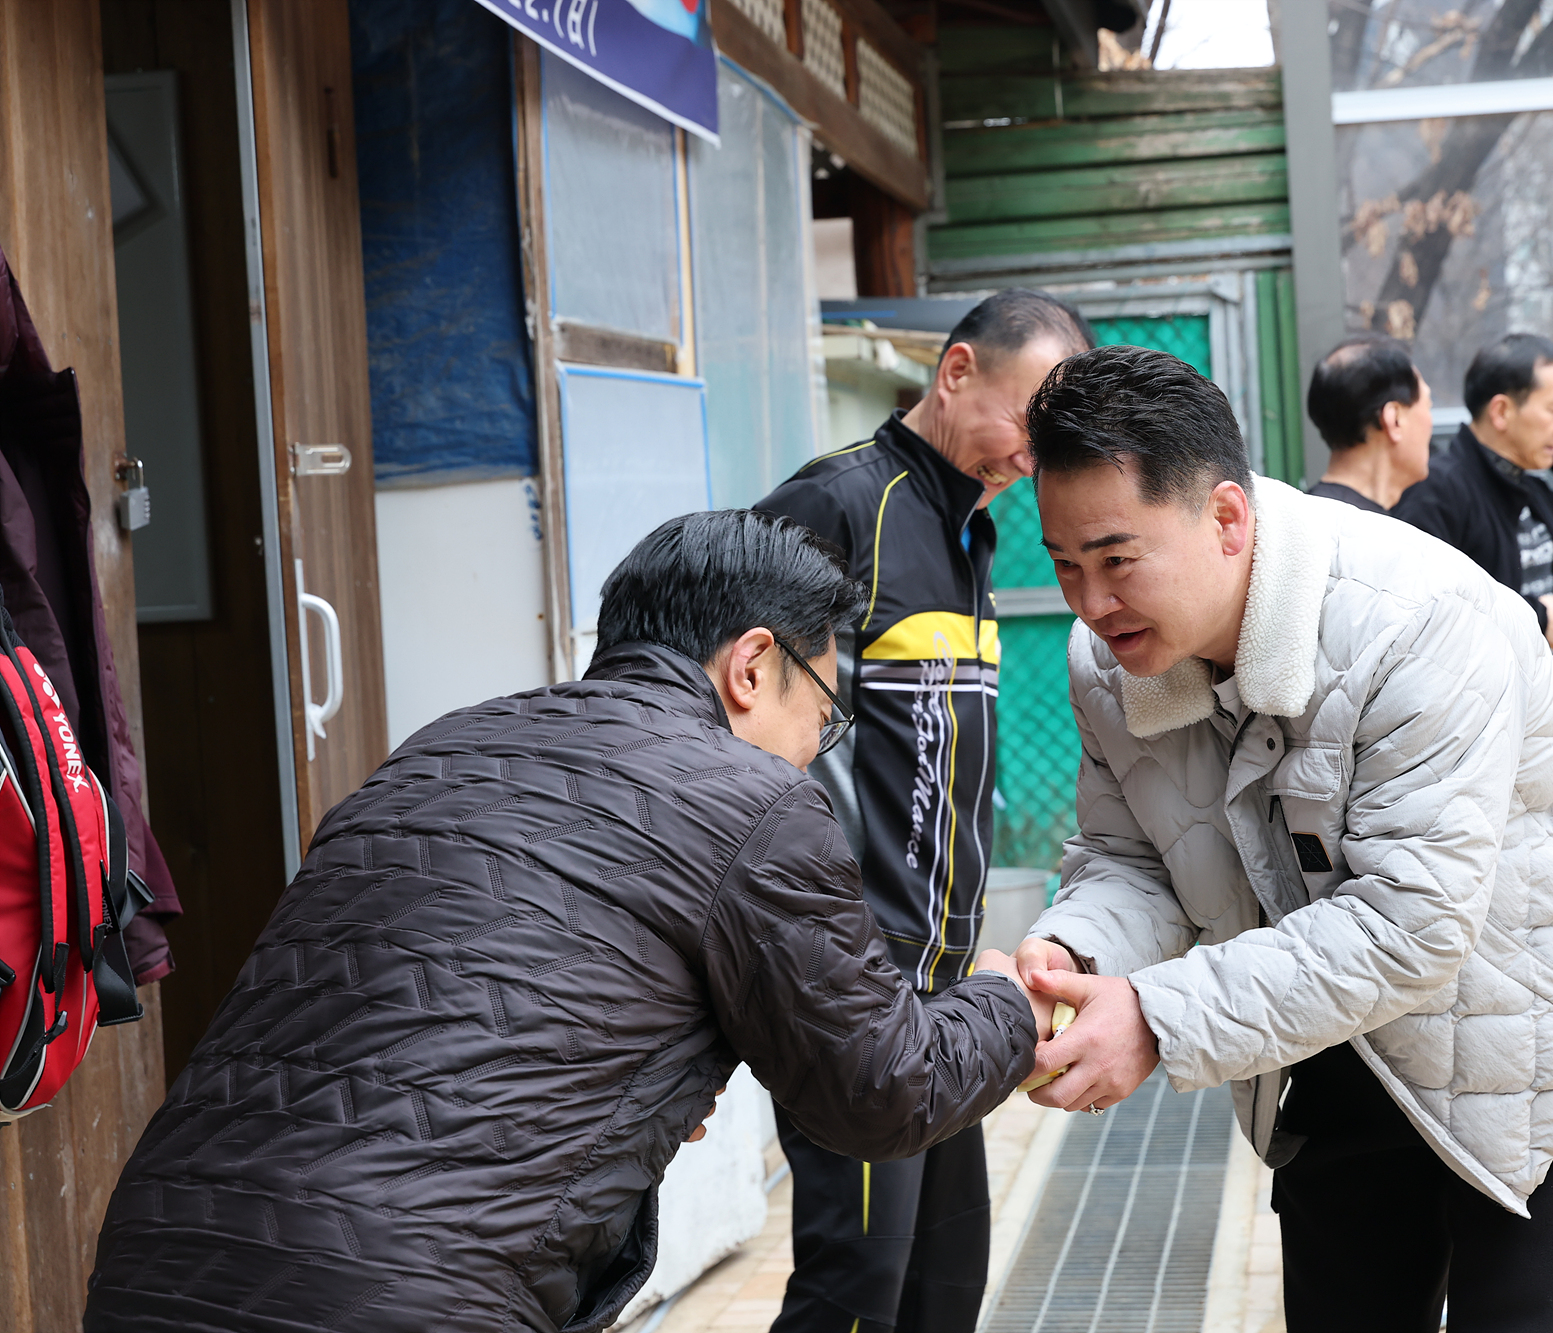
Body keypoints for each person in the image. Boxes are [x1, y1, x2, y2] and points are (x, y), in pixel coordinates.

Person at [82, 510, 1046, 1333]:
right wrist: (1002, 999)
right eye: (824, 714)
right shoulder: (751, 799)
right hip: (407, 1292)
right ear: (754, 665)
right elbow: (884, 1088)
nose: (812, 751)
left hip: (154, 1255)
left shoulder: (442, 746)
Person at [1009, 346, 1553, 1331]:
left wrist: (1152, 1016)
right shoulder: (1106, 661)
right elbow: (1132, 853)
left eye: (1116, 560)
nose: (1089, 602)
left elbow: (1407, 923)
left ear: (1227, 518)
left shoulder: (1414, 621)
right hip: (1324, 1036)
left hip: (1533, 1029)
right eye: (1063, 566)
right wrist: (1074, 952)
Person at [754, 289, 1093, 1333]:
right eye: (1022, 424)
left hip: (941, 984)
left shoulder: (967, 535)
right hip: (850, 983)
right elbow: (733, 732)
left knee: (942, 1280)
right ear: (954, 373)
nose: (1027, 460)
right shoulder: (836, 509)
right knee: (854, 1284)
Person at [1392, 332, 1553, 713]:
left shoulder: (1529, 486)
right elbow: (1428, 614)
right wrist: (1540, 618)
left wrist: (1545, 440)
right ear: (1501, 412)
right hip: (1486, 730)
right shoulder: (1439, 490)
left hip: (1549, 719)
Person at [1303, 333, 1434, 513]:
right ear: (1394, 419)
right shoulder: (1376, 535)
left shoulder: (1303, 520)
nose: (1430, 422)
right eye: (1428, 405)